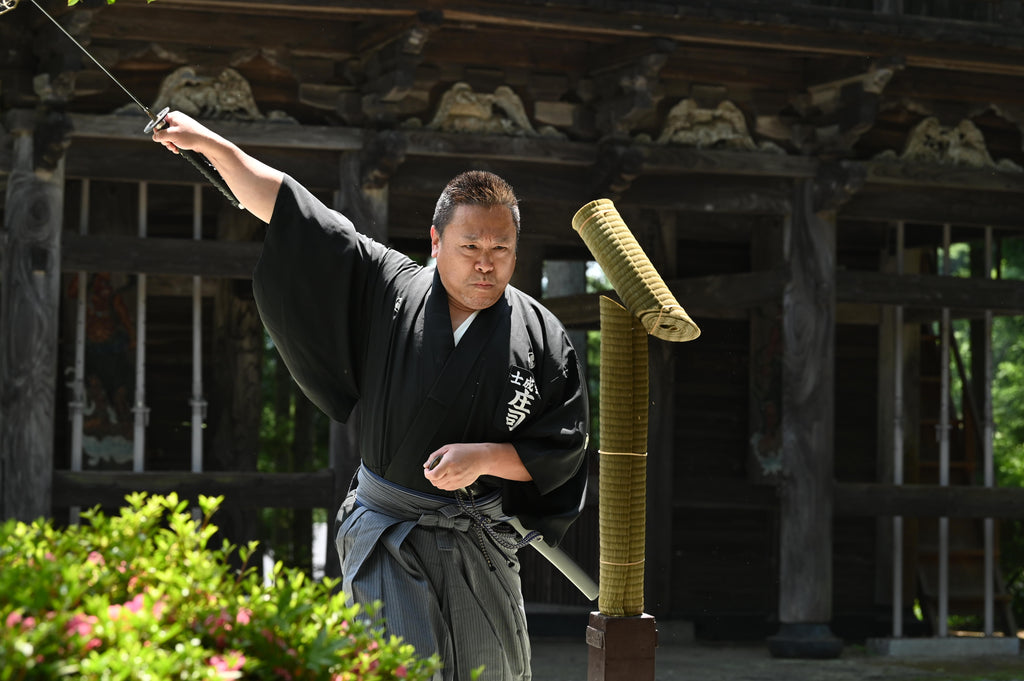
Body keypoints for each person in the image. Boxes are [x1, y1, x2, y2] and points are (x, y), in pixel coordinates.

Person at [152, 112, 590, 681]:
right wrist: (212, 146)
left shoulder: (541, 334)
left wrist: (484, 457)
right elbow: (293, 212)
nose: (486, 262)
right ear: (436, 241)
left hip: (479, 539)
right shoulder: (389, 283)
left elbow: (563, 446)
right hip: (390, 530)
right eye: (470, 245)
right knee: (398, 672)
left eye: (501, 248)